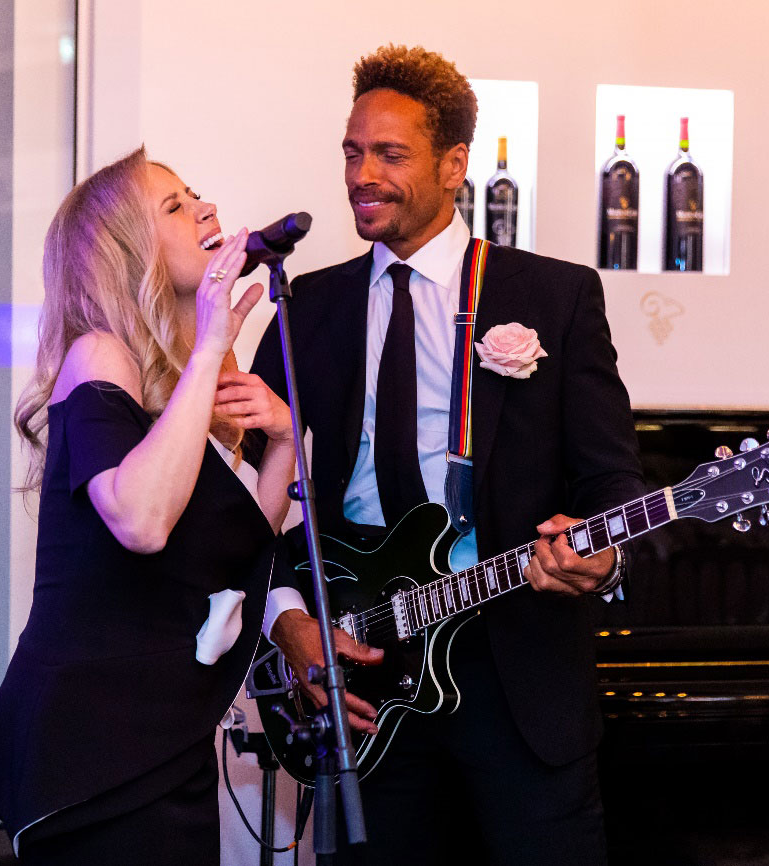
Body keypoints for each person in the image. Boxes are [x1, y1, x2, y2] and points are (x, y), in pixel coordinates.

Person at [251, 45, 645, 864]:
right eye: (352, 152)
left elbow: (609, 478)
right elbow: (251, 498)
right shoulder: (306, 306)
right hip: (365, 680)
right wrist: (288, 620)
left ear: (453, 165)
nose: (362, 175)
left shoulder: (553, 296)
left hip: (519, 679)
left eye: (389, 155)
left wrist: (601, 558)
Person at [0, 147, 296, 865]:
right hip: (96, 750)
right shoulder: (100, 355)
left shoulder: (184, 386)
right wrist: (210, 351)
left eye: (196, 193)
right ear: (126, 253)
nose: (205, 209)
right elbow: (141, 522)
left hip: (170, 738)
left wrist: (286, 440)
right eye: (174, 206)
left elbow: (236, 553)